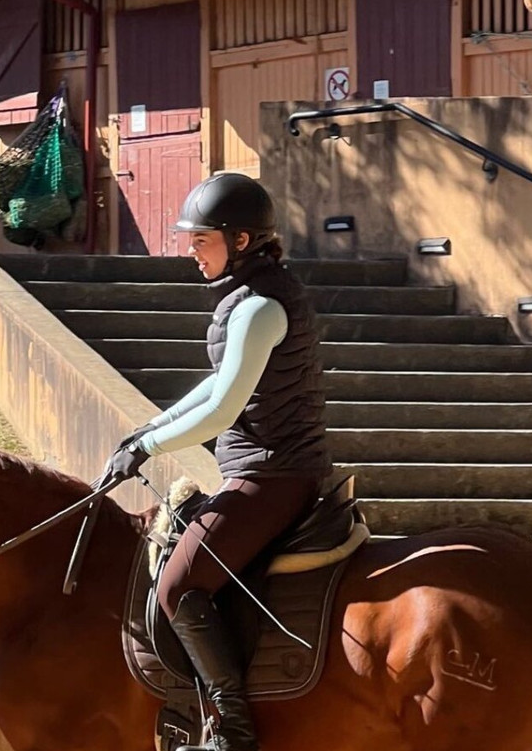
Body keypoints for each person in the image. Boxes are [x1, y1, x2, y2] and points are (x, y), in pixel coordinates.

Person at [102, 173, 333, 751]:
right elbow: (216, 384)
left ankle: (232, 727)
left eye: (200, 239)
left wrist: (149, 449)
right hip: (261, 469)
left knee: (178, 585)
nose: (190, 250)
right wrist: (146, 429)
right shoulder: (251, 298)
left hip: (273, 476)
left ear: (241, 240)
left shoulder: (260, 308)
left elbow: (224, 409)